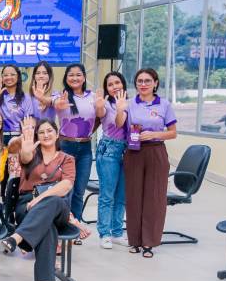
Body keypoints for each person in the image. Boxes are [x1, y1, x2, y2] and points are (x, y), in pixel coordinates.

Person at [1, 118, 75, 281]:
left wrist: (40, 199)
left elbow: (65, 186)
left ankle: (17, 237)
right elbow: (23, 155)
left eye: (49, 131)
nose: (46, 135)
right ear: (37, 136)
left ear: (57, 134)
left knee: (53, 202)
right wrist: (25, 147)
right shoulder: (31, 154)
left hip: (56, 207)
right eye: (41, 132)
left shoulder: (67, 159)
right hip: (26, 206)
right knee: (47, 227)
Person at [124, 68, 177, 258]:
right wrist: (121, 108)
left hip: (156, 151)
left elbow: (173, 133)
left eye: (147, 80)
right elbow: (120, 124)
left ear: (155, 83)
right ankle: (134, 240)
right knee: (133, 197)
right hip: (134, 152)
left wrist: (154, 134)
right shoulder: (129, 103)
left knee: (154, 198)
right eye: (139, 81)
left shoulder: (164, 104)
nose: (143, 84)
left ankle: (149, 242)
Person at [53, 63, 96, 223]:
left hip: (85, 148)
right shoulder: (60, 96)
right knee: (65, 189)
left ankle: (76, 225)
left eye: (78, 75)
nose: (75, 78)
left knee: (79, 190)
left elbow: (100, 117)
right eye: (71, 75)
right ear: (66, 78)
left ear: (84, 78)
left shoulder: (93, 97)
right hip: (65, 146)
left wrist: (89, 130)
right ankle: (63, 224)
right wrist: (58, 103)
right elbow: (51, 102)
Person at [95, 72, 129, 249]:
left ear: (123, 84)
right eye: (110, 84)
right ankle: (105, 233)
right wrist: (101, 106)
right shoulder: (106, 104)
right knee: (107, 195)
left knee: (122, 195)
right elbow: (117, 123)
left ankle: (117, 232)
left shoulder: (132, 103)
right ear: (106, 88)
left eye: (117, 82)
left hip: (129, 151)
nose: (115, 86)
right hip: (109, 150)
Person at [0, 64, 34, 143]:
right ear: (2, 78)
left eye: (12, 74)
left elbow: (28, 120)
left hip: (18, 136)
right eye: (5, 75)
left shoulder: (26, 98)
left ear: (18, 77)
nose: (9, 77)